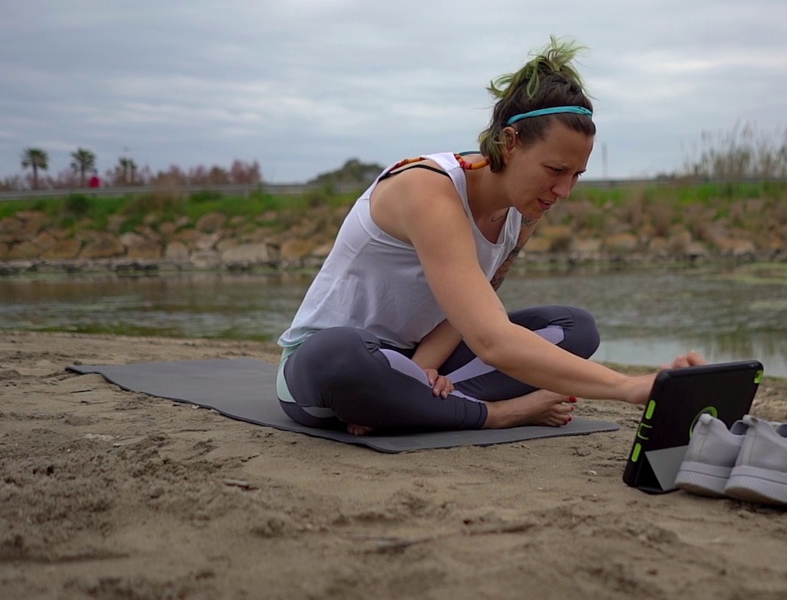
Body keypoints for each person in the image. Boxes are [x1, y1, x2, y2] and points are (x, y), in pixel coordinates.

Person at [275, 38, 702, 435]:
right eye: (555, 171)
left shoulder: (523, 210)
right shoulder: (428, 190)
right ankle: (500, 414)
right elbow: (490, 341)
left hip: (415, 357)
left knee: (575, 329)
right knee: (346, 356)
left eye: (576, 175)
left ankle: (408, 403)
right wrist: (629, 387)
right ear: (510, 142)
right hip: (326, 364)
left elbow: (465, 318)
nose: (564, 191)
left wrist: (423, 368)